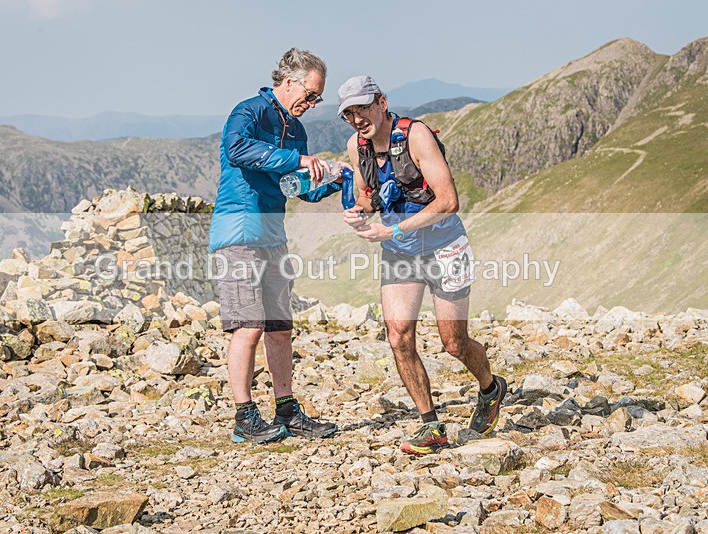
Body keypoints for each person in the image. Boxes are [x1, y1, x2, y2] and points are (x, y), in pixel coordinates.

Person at [339, 75, 507, 455]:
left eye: (363, 108)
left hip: (444, 243)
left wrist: (393, 228)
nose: (357, 118)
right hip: (401, 250)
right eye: (349, 112)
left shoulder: (416, 136)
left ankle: (491, 388)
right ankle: (430, 425)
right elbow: (367, 196)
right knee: (399, 335)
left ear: (381, 103)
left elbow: (448, 200)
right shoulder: (357, 146)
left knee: (453, 342)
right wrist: (359, 212)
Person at [208, 48, 340, 444]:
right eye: (311, 95)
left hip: (273, 235)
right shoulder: (248, 112)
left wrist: (336, 179)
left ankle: (287, 409)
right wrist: (298, 159)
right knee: (248, 325)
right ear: (289, 82)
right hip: (238, 232)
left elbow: (297, 187)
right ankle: (244, 416)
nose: (312, 104)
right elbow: (238, 151)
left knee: (280, 327)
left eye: (318, 99)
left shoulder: (296, 131)